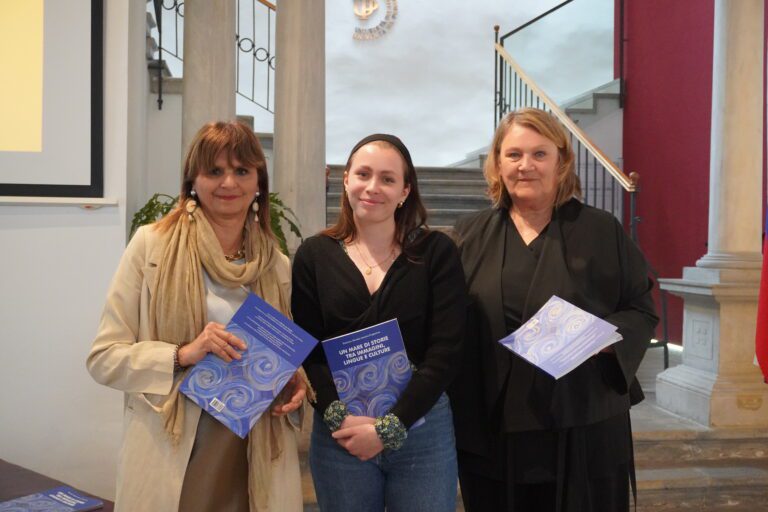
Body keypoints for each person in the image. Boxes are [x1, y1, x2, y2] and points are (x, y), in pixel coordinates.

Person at [86, 121, 308, 512]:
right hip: (175, 442)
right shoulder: (151, 247)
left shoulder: (276, 265)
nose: (229, 182)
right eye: (214, 170)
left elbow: (281, 350)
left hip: (255, 445)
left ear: (259, 183)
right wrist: (182, 354)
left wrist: (293, 379)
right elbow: (104, 358)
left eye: (242, 170)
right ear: (193, 180)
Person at [450, 108, 658, 512]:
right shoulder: (468, 234)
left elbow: (641, 309)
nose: (525, 165)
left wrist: (599, 339)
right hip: (494, 429)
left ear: (561, 162)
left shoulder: (602, 230)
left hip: (583, 425)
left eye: (539, 154)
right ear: (497, 163)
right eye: (513, 154)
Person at [292, 134, 467, 512]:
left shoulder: (437, 253)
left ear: (405, 191)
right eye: (363, 174)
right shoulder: (313, 255)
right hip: (342, 432)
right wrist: (339, 419)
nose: (373, 187)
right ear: (346, 180)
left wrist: (390, 427)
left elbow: (447, 350)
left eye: (387, 179)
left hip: (422, 429)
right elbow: (309, 350)